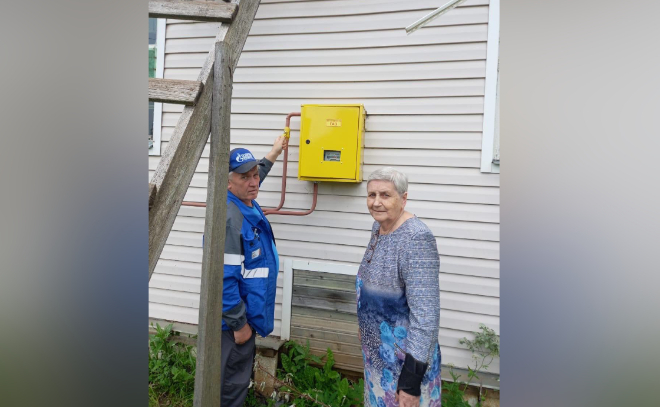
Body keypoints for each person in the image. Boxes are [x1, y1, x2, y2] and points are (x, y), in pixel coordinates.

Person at [356, 167, 442, 407]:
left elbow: (426, 316)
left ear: (403, 199)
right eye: (371, 195)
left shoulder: (416, 239)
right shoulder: (379, 228)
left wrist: (410, 383)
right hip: (379, 360)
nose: (376, 202)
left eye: (385, 195)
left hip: (404, 368)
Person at [220, 136, 287, 407]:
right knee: (230, 386)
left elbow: (256, 174)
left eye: (255, 175)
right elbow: (222, 279)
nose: (254, 182)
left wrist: (274, 152)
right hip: (232, 325)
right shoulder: (230, 219)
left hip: (246, 316)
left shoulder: (245, 199)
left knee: (238, 379)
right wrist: (240, 326)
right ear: (228, 182)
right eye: (245, 177)